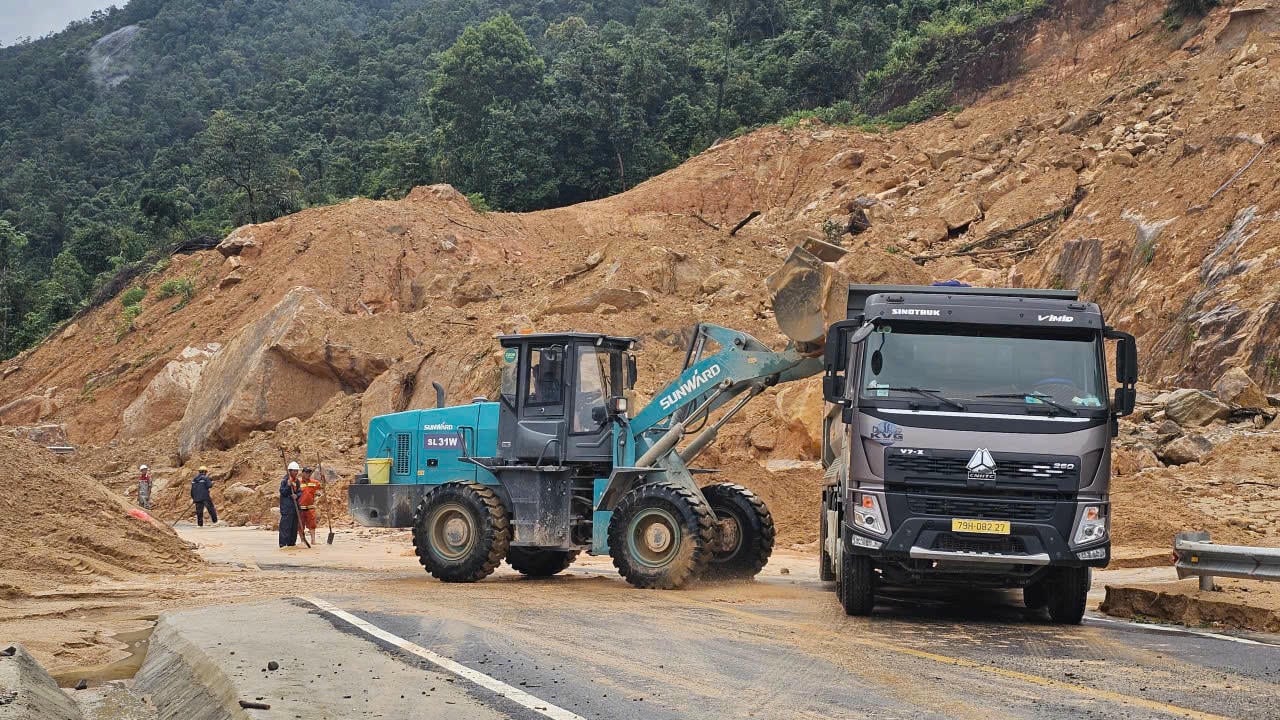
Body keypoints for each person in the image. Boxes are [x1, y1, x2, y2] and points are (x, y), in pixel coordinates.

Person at [297, 467, 323, 547]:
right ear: (302, 473)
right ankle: (302, 540)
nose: (308, 474)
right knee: (300, 525)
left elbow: (322, 486)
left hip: (310, 507)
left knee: (312, 525)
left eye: (309, 473)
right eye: (306, 472)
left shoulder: (314, 482)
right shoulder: (298, 482)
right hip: (301, 508)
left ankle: (313, 540)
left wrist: (323, 479)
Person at [279, 461, 303, 548]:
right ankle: (283, 544)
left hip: (295, 507)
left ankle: (291, 543)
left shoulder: (297, 481)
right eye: (294, 471)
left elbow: (300, 492)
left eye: (297, 471)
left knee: (293, 527)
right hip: (286, 507)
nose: (295, 472)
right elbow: (283, 492)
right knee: (285, 526)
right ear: (290, 471)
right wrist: (288, 486)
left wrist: (296, 495)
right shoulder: (285, 480)